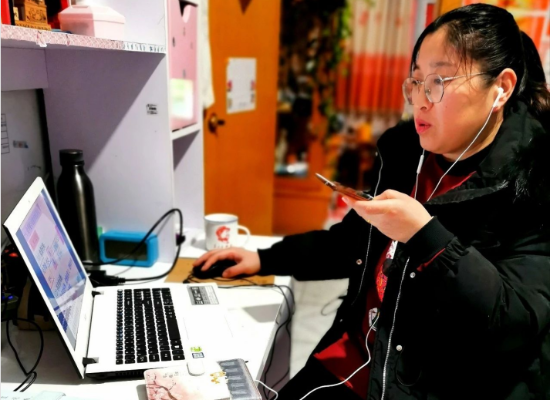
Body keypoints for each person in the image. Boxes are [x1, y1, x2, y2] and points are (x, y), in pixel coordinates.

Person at [194, 4, 550, 399]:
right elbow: (355, 242)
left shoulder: (535, 178)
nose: (420, 100)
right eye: (416, 81)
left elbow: (515, 323)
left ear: (501, 88)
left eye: (439, 81)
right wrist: (264, 258)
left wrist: (426, 235)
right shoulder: (404, 153)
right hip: (354, 359)